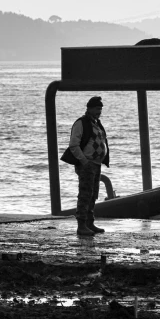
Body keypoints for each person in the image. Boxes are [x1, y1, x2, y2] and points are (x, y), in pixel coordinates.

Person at [65, 96, 110, 236]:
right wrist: (84, 162)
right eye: (97, 109)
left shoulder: (96, 123)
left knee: (93, 194)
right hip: (87, 164)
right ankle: (81, 225)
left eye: (100, 109)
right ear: (89, 108)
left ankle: (90, 223)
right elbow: (73, 145)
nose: (99, 112)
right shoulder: (81, 123)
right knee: (85, 194)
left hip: (96, 164)